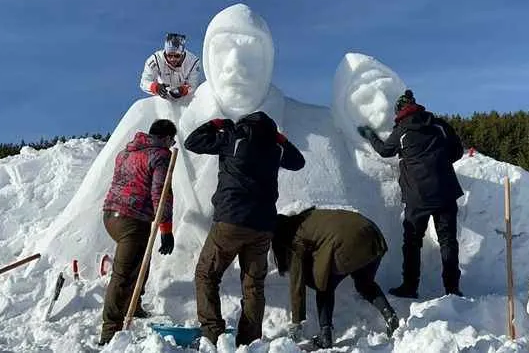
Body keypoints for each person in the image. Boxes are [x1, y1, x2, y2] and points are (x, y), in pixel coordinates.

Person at [184, 111, 305, 347]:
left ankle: (212, 333)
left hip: (230, 221)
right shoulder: (274, 148)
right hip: (262, 227)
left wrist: (216, 123)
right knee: (253, 285)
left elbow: (192, 142)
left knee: (206, 274)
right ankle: (249, 341)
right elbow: (298, 162)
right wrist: (280, 139)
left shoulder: (233, 137)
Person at [357, 89, 464, 298]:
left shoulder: (402, 131)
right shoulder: (438, 124)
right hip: (446, 192)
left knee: (413, 242)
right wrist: (440, 163)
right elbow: (457, 150)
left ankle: (409, 286)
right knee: (448, 241)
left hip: (418, 197)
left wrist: (371, 135)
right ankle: (452, 289)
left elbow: (385, 151)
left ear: (399, 112)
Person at [272, 207, 400, 349]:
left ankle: (325, 335)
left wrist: (297, 322)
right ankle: (390, 316)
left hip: (347, 243)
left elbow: (297, 283)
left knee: (323, 283)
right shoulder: (309, 218)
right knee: (365, 284)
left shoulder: (293, 238)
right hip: (372, 234)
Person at [99, 119, 177, 345]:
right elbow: (161, 194)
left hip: (111, 215)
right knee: (122, 274)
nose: (172, 144)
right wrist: (166, 229)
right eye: (171, 139)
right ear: (164, 138)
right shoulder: (160, 155)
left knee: (140, 258)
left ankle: (135, 303)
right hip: (132, 219)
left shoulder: (127, 151)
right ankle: (110, 331)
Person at [140, 32, 201, 100]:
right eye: (169, 55)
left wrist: (182, 90)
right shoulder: (155, 60)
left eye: (177, 56)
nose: (173, 59)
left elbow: (194, 85)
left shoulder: (193, 63)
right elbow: (144, 82)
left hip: (185, 99)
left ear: (182, 53)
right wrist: (156, 87)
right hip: (164, 99)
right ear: (165, 52)